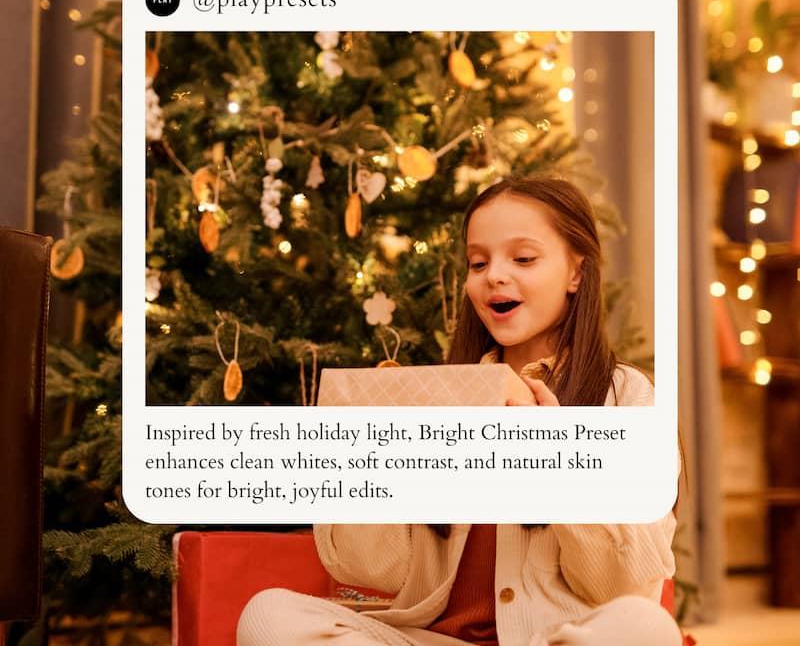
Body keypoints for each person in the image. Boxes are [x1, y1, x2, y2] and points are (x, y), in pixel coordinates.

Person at [238, 175, 682, 646]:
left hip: (554, 639)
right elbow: (374, 570)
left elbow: (628, 585)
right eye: (478, 262)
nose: (494, 275)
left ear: (576, 272)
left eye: (524, 258)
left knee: (645, 627)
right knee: (270, 616)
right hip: (432, 639)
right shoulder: (441, 394)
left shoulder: (629, 399)